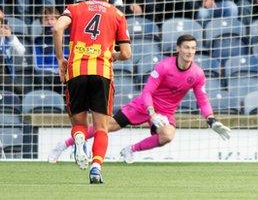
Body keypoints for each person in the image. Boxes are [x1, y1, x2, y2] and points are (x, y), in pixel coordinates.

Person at [48, 34, 231, 164]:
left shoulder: (197, 73)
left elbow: (202, 99)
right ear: (178, 49)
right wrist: (151, 112)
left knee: (167, 135)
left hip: (165, 112)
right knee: (105, 126)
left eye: (192, 48)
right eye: (186, 47)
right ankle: (63, 145)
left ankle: (130, 150)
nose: (189, 51)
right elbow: (147, 92)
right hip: (143, 106)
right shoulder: (164, 66)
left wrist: (211, 119)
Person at [52, 0, 132, 184]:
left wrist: (61, 59)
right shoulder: (117, 14)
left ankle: (79, 140)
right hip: (102, 73)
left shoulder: (75, 8)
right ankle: (96, 167)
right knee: (101, 128)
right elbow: (126, 53)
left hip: (76, 70)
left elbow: (57, 28)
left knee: (79, 123)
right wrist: (111, 55)